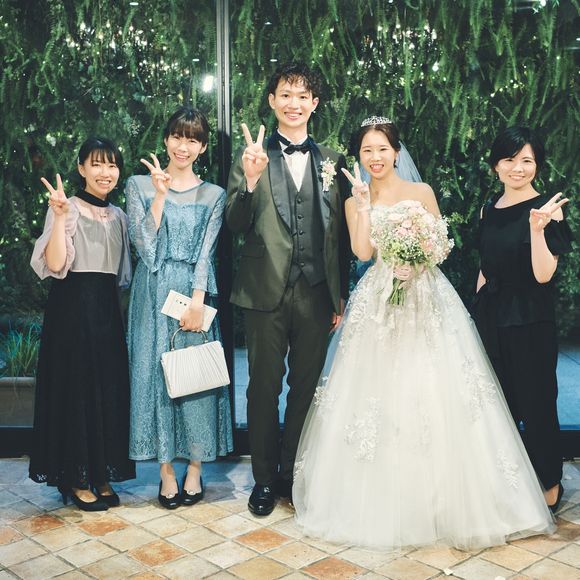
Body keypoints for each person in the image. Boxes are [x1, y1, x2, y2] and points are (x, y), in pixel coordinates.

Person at [292, 118, 556, 550]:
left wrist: (416, 261)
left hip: (425, 296)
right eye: (367, 151)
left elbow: (440, 245)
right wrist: (363, 207)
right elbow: (362, 251)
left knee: (436, 388)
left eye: (382, 149)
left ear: (396, 153)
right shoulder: (355, 198)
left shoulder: (422, 192)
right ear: (359, 157)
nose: (375, 158)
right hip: (380, 297)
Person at [226, 62, 350, 516]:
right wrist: (250, 180)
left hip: (316, 292)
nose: (293, 104)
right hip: (264, 291)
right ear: (272, 101)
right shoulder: (251, 156)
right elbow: (234, 224)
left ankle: (291, 473)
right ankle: (262, 480)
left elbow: (340, 235)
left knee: (305, 389)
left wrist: (339, 295)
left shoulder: (333, 160)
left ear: (314, 104)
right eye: (285, 95)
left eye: (302, 96)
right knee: (262, 387)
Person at [127, 106, 233, 509]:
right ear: (166, 139)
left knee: (195, 379)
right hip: (152, 291)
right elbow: (144, 246)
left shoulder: (214, 195)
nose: (182, 146)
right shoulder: (140, 185)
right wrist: (159, 195)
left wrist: (198, 302)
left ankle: (195, 467)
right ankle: (166, 470)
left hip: (193, 292)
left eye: (192, 139)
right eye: (177, 136)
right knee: (155, 376)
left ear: (202, 147)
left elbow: (207, 253)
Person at [29, 137, 135, 511]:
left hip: (107, 313)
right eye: (97, 164)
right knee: (75, 390)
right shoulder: (67, 207)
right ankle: (76, 478)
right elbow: (56, 264)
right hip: (71, 313)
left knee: (105, 389)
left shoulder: (120, 216)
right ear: (81, 168)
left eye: (112, 165)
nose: (105, 172)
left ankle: (99, 472)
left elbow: (121, 277)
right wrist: (59, 218)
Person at [474, 126, 572, 514]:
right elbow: (484, 267)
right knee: (500, 404)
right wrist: (476, 312)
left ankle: (549, 482)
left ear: (537, 166)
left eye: (527, 160)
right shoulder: (488, 209)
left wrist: (537, 229)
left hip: (531, 319)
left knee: (537, 401)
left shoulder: (549, 207)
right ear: (496, 166)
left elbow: (544, 274)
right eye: (510, 160)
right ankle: (509, 481)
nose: (518, 168)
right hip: (492, 317)